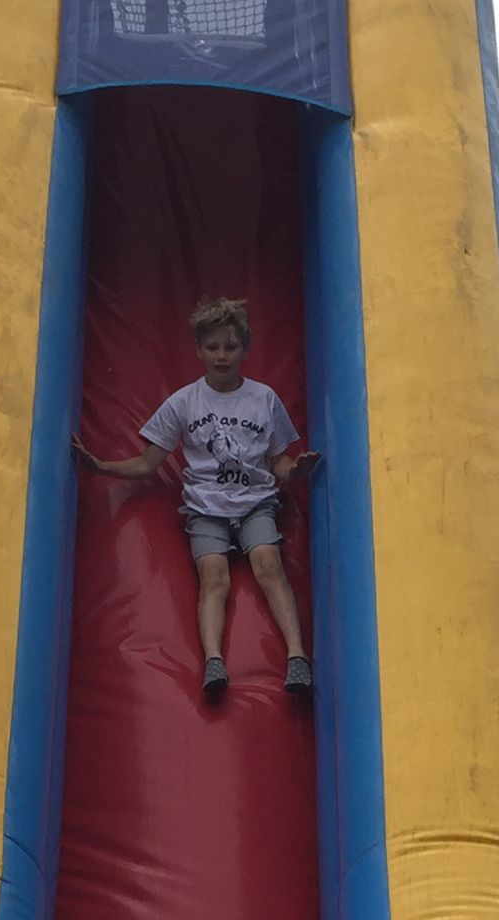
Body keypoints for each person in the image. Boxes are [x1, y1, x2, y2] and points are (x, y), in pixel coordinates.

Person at [72, 295, 317, 701]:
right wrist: (99, 466)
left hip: (254, 501)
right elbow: (148, 462)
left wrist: (297, 470)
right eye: (213, 347)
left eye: (231, 347)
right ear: (199, 351)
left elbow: (279, 461)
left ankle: (297, 657)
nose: (222, 356)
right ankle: (214, 661)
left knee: (268, 564)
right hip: (206, 509)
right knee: (214, 576)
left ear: (245, 350)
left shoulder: (263, 399)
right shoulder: (185, 402)